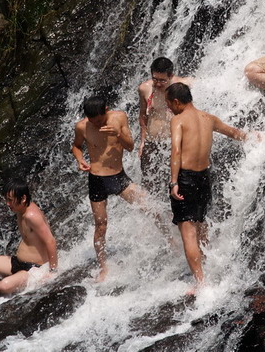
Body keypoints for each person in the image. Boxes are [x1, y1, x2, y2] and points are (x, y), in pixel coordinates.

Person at [166, 83, 249, 294]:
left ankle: (200, 283)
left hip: (185, 178)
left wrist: (174, 182)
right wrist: (256, 137)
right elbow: (233, 133)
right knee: (201, 225)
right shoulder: (208, 118)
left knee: (188, 231)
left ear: (176, 102)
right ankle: (209, 268)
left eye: (169, 104)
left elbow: (176, 151)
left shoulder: (178, 120)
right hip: (204, 177)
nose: (169, 109)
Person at [72, 95, 167, 282]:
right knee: (100, 225)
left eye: (99, 121)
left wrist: (117, 133)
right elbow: (76, 146)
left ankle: (172, 242)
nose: (97, 125)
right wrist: (79, 160)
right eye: (93, 121)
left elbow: (130, 146)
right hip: (96, 180)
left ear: (106, 110)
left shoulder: (119, 118)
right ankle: (103, 267)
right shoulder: (82, 126)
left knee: (150, 208)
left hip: (118, 176)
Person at [138, 57, 191, 196]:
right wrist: (143, 141)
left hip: (173, 143)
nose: (158, 83)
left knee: (176, 182)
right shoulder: (145, 88)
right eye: (155, 79)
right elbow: (143, 116)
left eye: (162, 80)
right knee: (149, 184)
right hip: (152, 142)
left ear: (171, 76)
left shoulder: (182, 87)